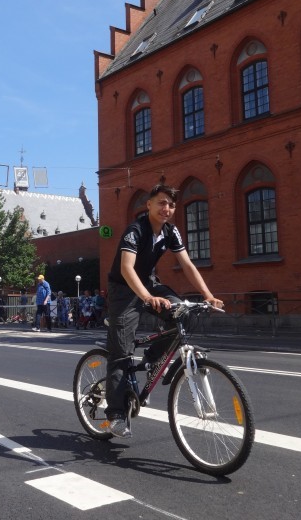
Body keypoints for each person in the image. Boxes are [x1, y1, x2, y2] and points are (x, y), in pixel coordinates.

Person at [104, 184, 223, 438]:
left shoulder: (171, 231)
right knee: (121, 353)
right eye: (161, 203)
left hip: (149, 284)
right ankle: (116, 414)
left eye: (170, 204)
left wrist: (208, 295)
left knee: (184, 314)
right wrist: (147, 298)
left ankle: (153, 358)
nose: (166, 208)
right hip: (123, 290)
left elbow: (187, 264)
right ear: (149, 205)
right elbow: (126, 268)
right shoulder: (135, 231)